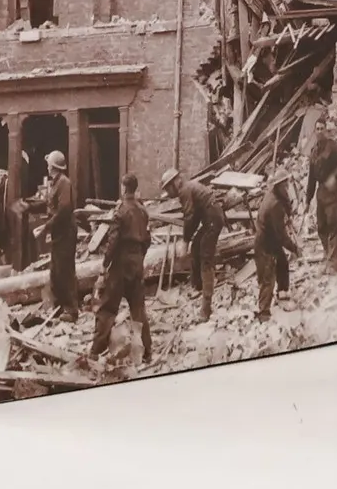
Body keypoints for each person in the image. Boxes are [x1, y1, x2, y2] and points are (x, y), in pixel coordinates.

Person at [91, 171, 154, 363]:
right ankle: (147, 352)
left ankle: (95, 351)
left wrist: (105, 265)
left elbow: (113, 241)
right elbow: (147, 239)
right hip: (137, 262)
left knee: (108, 308)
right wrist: (139, 257)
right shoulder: (143, 211)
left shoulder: (120, 211)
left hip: (120, 263)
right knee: (138, 308)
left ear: (124, 188)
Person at [161, 166, 226, 321]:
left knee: (206, 259)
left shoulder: (185, 190)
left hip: (213, 219)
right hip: (210, 218)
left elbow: (190, 217)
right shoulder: (188, 188)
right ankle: (197, 286)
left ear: (175, 182)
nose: (168, 193)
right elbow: (194, 216)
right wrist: (189, 239)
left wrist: (185, 241)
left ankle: (206, 309)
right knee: (196, 246)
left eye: (168, 188)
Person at [34, 150, 80, 320]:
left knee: (65, 271)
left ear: (53, 166)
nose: (47, 167)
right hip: (58, 232)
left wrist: (45, 227)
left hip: (65, 232)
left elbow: (64, 210)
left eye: (48, 164)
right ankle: (60, 307)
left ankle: (71, 310)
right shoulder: (55, 183)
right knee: (56, 271)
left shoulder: (63, 183)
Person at [305, 120, 337, 274]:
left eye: (322, 128)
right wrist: (307, 200)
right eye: (317, 129)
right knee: (321, 227)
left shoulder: (332, 146)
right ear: (314, 131)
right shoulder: (313, 152)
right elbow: (311, 178)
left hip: (333, 193)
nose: (319, 131)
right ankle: (329, 256)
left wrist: (334, 176)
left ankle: (333, 261)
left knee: (333, 225)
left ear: (325, 130)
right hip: (321, 194)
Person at [253, 175, 297, 320]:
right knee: (267, 276)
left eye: (287, 184)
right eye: (284, 185)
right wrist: (295, 248)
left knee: (282, 262)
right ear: (278, 186)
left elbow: (286, 203)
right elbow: (282, 236)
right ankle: (264, 312)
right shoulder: (274, 204)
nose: (287, 188)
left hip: (271, 237)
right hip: (265, 243)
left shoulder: (275, 194)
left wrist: (289, 215)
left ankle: (282, 293)